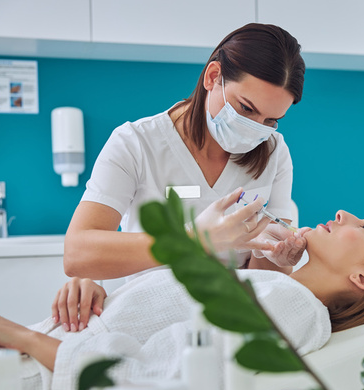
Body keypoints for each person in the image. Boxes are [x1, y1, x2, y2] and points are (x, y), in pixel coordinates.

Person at [0, 199, 364, 390]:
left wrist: (21, 336)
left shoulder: (295, 309)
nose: (343, 214)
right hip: (27, 366)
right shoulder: (281, 291)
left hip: (32, 387)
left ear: (363, 277)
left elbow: (145, 378)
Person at [63, 23, 307, 281]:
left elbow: (268, 280)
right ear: (213, 77)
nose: (254, 130)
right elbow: (77, 255)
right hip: (152, 309)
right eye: (246, 109)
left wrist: (276, 257)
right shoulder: (135, 143)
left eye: (270, 120)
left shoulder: (274, 151)